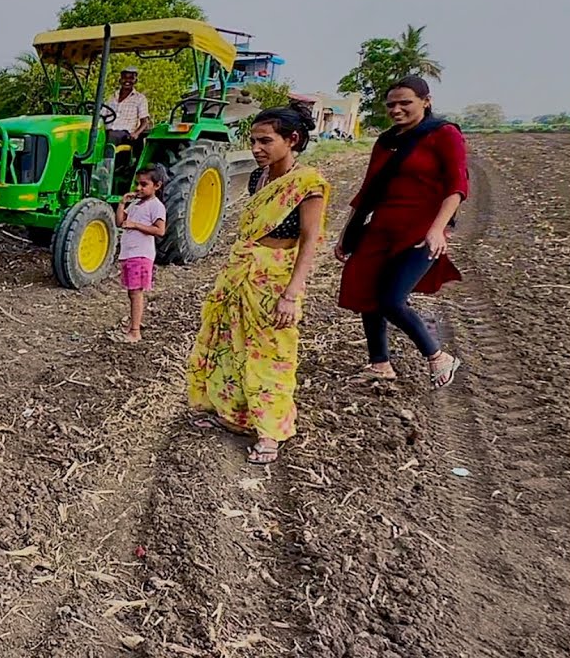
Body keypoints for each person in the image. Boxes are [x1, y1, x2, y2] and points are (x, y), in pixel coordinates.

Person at [186, 103, 329, 465]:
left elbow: (310, 241)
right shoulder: (257, 178)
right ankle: (233, 415)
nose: (256, 148)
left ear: (292, 139)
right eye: (253, 141)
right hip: (242, 271)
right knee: (230, 342)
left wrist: (291, 294)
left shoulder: (308, 184)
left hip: (275, 278)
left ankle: (270, 432)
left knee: (271, 353)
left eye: (265, 141)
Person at [334, 76, 465, 388]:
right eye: (391, 104)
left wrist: (438, 229)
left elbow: (457, 186)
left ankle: (438, 356)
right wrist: (346, 233)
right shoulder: (386, 141)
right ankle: (380, 364)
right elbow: (368, 190)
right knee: (365, 290)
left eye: (405, 103)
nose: (396, 109)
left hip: (420, 231)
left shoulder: (444, 134)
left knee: (391, 300)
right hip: (381, 228)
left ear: (426, 101)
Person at [113, 166, 167, 344]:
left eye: (144, 184)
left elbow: (160, 230)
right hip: (129, 254)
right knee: (132, 292)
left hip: (141, 255)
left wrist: (136, 225)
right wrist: (122, 203)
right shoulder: (136, 204)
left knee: (136, 293)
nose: (138, 188)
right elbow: (120, 222)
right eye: (137, 184)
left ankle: (135, 331)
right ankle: (133, 325)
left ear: (157, 186)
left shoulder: (156, 206)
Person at [105, 66, 151, 171]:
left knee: (110, 137)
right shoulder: (112, 97)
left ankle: (105, 169)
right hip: (107, 130)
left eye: (131, 78)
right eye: (125, 77)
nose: (127, 81)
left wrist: (136, 133)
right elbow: (102, 114)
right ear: (120, 79)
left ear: (135, 81)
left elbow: (145, 121)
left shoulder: (140, 98)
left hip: (125, 134)